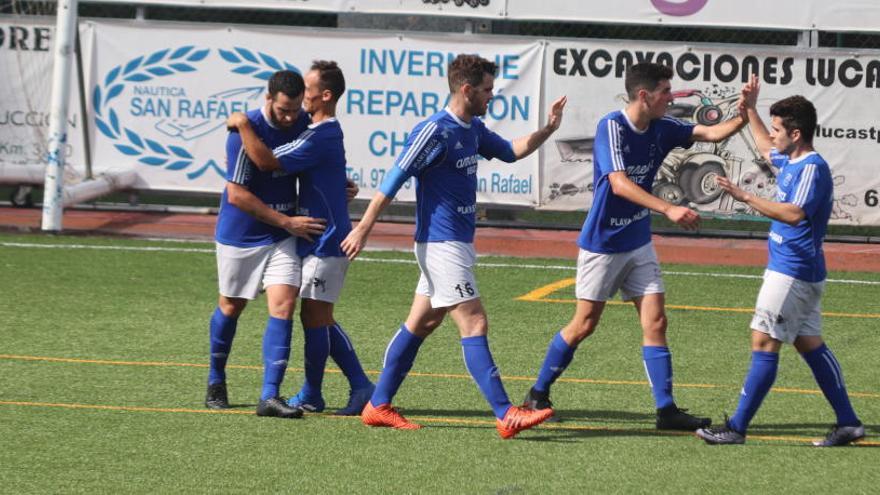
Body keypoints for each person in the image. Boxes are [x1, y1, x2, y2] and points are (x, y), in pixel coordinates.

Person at [340, 54, 567, 439]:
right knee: (474, 321)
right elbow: (393, 181)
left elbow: (511, 151)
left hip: (455, 244)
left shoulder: (473, 128)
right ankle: (504, 412)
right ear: (466, 89)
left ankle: (378, 405)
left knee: (422, 323)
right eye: (487, 90)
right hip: (440, 244)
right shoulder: (434, 131)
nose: (492, 96)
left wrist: (547, 128)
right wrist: (363, 227)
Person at [523, 62, 749, 431]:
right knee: (583, 325)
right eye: (665, 92)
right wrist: (669, 208)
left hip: (638, 240)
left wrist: (745, 112)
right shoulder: (612, 126)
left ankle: (666, 410)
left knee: (656, 320)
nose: (671, 98)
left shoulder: (663, 127)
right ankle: (537, 393)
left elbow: (711, 133)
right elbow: (619, 184)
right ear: (643, 95)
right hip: (604, 243)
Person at [696, 75, 865, 446]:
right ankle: (849, 422)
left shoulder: (811, 168)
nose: (772, 136)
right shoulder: (790, 157)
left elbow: (792, 214)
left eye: (778, 130)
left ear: (797, 134)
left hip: (792, 272)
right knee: (810, 344)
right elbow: (761, 145)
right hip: (798, 270)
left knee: (763, 341)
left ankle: (737, 428)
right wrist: (752, 110)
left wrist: (743, 196)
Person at [227, 60, 375, 417]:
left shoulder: (321, 133)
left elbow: (266, 162)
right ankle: (331, 390)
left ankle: (347, 388)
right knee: (316, 316)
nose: (302, 95)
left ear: (324, 95)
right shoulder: (319, 131)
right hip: (319, 239)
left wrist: (243, 123)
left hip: (328, 240)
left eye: (308, 89)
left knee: (318, 316)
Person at [206, 70, 327, 419]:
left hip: (282, 235)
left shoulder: (304, 123)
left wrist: (338, 185)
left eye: (294, 110)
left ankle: (269, 395)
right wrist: (286, 221)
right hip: (242, 233)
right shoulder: (244, 132)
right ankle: (216, 379)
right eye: (283, 110)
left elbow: (310, 163)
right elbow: (237, 194)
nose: (290, 117)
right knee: (231, 307)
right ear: (268, 99)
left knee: (284, 304)